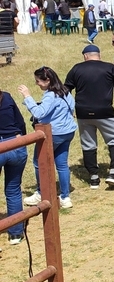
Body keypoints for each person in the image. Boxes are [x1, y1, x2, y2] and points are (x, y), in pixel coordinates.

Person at [64, 45, 114, 188]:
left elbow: (65, 90)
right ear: (98, 54)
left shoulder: (76, 68)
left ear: (85, 56)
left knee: (88, 144)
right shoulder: (109, 68)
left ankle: (93, 178)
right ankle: (113, 173)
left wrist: (70, 109)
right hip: (105, 111)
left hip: (83, 112)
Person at [19, 67, 78, 209]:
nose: (37, 84)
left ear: (47, 80)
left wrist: (27, 96)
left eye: (38, 81)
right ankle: (65, 197)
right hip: (68, 132)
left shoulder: (50, 95)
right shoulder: (65, 91)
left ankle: (42, 192)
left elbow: (39, 113)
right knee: (62, 164)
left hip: (54, 133)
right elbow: (71, 108)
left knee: (39, 163)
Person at [0, 84, 27, 244]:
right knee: (13, 190)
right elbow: (20, 121)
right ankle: (16, 233)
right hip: (15, 145)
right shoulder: (7, 97)